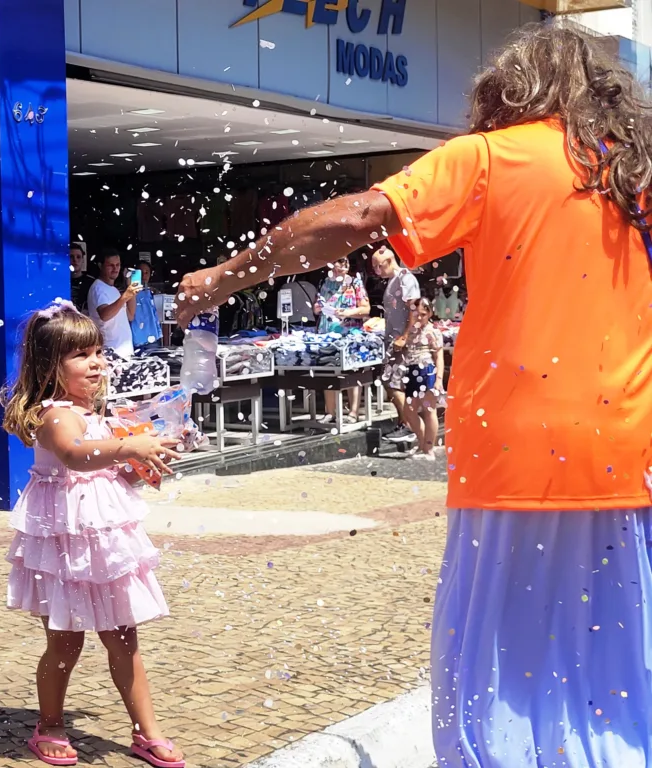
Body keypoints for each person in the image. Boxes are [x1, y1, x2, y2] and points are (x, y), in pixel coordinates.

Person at [174, 24, 652, 767]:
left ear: (512, 90)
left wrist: (219, 279)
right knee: (620, 668)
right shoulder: (636, 177)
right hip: (632, 455)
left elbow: (354, 219)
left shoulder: (492, 158)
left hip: (515, 458)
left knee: (498, 670)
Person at [0, 301, 185, 767]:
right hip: (64, 546)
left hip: (105, 547)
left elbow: (108, 473)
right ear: (51, 365)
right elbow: (75, 455)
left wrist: (140, 467)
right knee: (65, 642)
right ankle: (51, 724)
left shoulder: (102, 416)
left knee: (124, 640)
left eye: (99, 352)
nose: (97, 363)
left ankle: (148, 731)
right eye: (81, 355)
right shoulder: (55, 414)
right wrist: (130, 445)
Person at [371, 246, 421, 444]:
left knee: (391, 381)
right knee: (392, 381)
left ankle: (409, 424)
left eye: (378, 265)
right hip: (393, 339)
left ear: (390, 261)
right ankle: (404, 422)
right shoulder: (393, 281)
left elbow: (414, 309)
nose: (376, 270)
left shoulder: (405, 278)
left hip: (402, 340)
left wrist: (405, 336)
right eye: (373, 266)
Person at [312, 256, 369, 422]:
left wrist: (347, 313)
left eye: (346, 262)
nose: (343, 265)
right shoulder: (325, 283)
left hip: (349, 332)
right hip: (327, 333)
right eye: (339, 261)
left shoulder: (355, 283)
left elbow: (366, 308)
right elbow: (316, 308)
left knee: (352, 370)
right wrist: (319, 307)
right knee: (328, 371)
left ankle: (353, 412)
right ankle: (330, 411)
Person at [400, 298, 444, 460]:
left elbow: (439, 356)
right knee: (409, 410)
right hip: (411, 369)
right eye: (416, 313)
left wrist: (438, 378)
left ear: (429, 314)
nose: (419, 318)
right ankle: (422, 441)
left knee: (429, 409)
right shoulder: (411, 329)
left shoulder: (432, 331)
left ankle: (428, 448)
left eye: (423, 314)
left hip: (426, 370)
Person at [88, 248, 139, 359]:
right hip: (110, 353)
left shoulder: (114, 289)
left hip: (124, 352)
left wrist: (130, 289)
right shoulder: (98, 288)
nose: (115, 269)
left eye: (117, 265)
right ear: (100, 266)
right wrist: (125, 296)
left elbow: (130, 315)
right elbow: (104, 315)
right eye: (110, 265)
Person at [130, 260, 161, 352]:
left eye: (147, 272)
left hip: (153, 337)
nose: (144, 276)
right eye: (140, 272)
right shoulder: (129, 292)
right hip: (136, 338)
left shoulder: (153, 292)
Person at [69, 242, 94, 312]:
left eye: (78, 257)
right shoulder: (60, 281)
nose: (75, 260)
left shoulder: (91, 282)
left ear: (83, 260)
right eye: (71, 257)